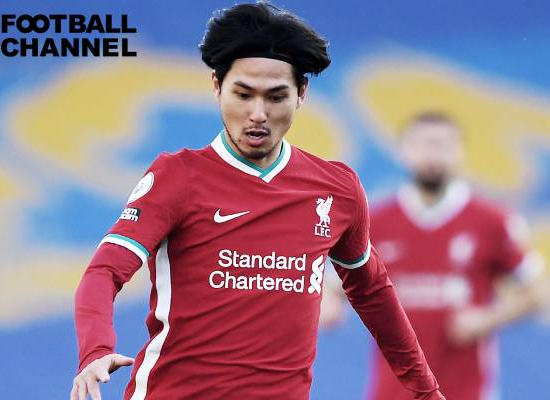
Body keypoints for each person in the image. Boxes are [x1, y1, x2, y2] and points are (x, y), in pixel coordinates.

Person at [70, 3, 445, 399]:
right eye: (243, 94)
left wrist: (425, 391)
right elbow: (104, 271)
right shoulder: (177, 177)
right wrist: (95, 349)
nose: (258, 114)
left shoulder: (337, 189)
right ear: (217, 86)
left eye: (276, 97)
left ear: (301, 93)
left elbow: (372, 292)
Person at [346, 111, 543, 400]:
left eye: (442, 145)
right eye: (422, 144)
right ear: (403, 151)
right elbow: (335, 289)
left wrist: (487, 319)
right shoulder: (375, 221)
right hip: (392, 391)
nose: (432, 155)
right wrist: (326, 308)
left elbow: (537, 291)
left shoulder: (492, 221)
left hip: (466, 389)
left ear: (459, 152)